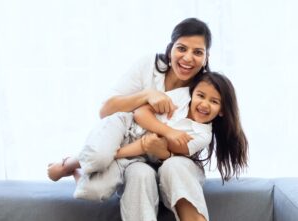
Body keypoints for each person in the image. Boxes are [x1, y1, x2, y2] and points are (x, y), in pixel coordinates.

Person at [49, 17, 248, 221]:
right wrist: (147, 95)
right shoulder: (159, 74)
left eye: (198, 52)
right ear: (170, 48)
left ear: (206, 57)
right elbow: (110, 111)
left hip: (171, 161)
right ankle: (71, 165)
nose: (188, 58)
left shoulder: (200, 88)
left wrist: (157, 147)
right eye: (182, 48)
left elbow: (165, 148)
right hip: (136, 154)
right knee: (134, 174)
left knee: (172, 166)